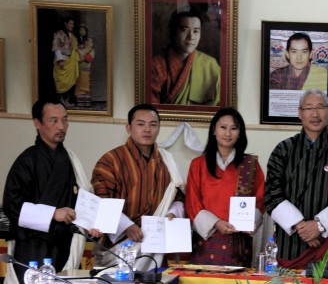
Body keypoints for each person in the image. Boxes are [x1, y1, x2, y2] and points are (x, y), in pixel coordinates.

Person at [264, 89, 328, 270]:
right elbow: (271, 195)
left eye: (320, 107)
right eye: (309, 108)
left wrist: (320, 225)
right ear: (299, 113)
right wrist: (301, 226)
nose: (315, 114)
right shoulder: (283, 150)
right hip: (291, 245)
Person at [3, 99, 91, 283]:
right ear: (37, 123)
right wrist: (52, 213)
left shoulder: (70, 160)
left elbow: (83, 199)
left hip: (64, 242)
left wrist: (92, 221)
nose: (61, 126)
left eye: (65, 120)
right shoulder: (27, 161)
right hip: (33, 245)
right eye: (54, 121)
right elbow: (12, 206)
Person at [91, 104, 185, 270]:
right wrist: (126, 226)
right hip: (119, 248)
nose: (147, 129)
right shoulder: (110, 160)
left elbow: (178, 196)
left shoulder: (166, 161)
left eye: (153, 124)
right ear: (129, 128)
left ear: (159, 128)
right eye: (140, 124)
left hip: (155, 246)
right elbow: (101, 202)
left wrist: (172, 212)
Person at [185, 108, 265, 267]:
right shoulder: (198, 165)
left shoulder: (251, 165)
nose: (228, 133)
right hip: (206, 241)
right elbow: (192, 203)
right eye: (223, 127)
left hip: (239, 242)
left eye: (234, 128)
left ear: (240, 133)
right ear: (214, 129)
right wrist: (216, 223)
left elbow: (261, 198)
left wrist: (250, 221)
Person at [151, 7, 221, 106]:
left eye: (196, 31)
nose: (191, 37)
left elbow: (220, 103)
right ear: (173, 31)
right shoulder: (157, 64)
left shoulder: (211, 65)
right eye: (184, 30)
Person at [52, 17, 80, 106]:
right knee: (63, 81)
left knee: (70, 82)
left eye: (73, 24)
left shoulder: (72, 36)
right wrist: (60, 60)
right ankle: (61, 100)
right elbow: (56, 47)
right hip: (62, 60)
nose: (72, 26)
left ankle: (67, 101)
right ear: (65, 23)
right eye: (70, 23)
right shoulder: (59, 34)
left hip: (70, 60)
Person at [75, 24, 94, 107]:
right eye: (80, 30)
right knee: (78, 80)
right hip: (78, 62)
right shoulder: (76, 40)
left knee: (86, 80)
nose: (82, 32)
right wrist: (79, 57)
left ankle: (86, 101)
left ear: (86, 32)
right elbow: (75, 50)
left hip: (86, 63)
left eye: (83, 30)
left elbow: (91, 50)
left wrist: (84, 57)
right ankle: (79, 101)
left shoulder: (89, 40)